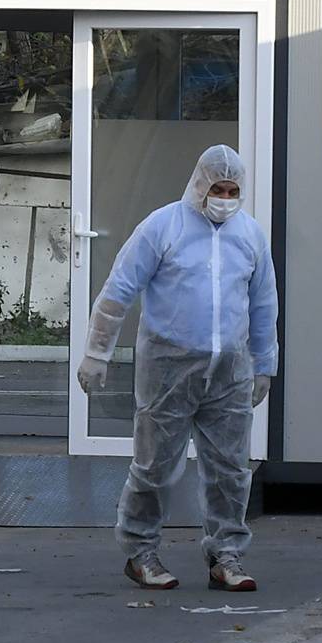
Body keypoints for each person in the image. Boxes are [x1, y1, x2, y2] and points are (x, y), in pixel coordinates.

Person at [76, 145, 279, 593]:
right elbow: (119, 290)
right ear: (200, 184)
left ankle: (226, 554)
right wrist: (97, 352)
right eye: (217, 188)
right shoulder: (163, 226)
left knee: (230, 468)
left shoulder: (249, 235)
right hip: (168, 366)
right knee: (155, 465)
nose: (224, 196)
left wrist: (264, 363)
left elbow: (264, 303)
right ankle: (140, 550)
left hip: (229, 368)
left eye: (232, 189)